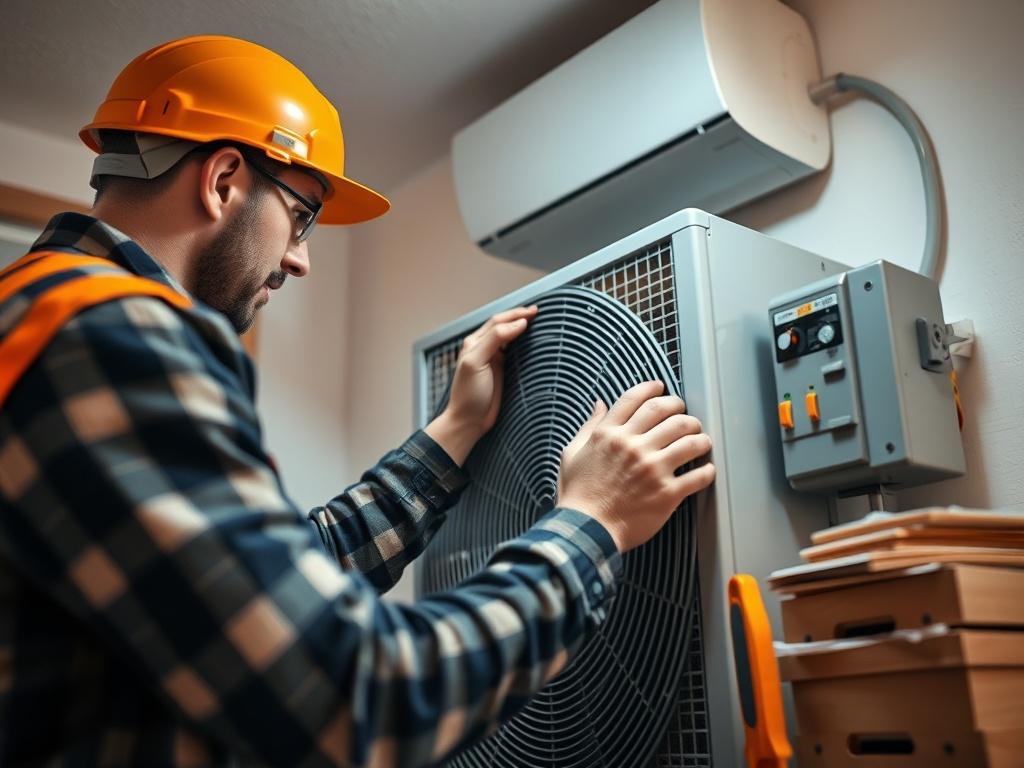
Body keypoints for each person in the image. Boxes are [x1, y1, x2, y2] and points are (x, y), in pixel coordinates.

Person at [0, 35, 715, 767]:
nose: (299, 259)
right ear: (222, 180)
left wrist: (454, 432)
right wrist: (592, 522)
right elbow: (354, 694)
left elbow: (258, 596)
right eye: (301, 215)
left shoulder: (37, 313)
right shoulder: (117, 333)